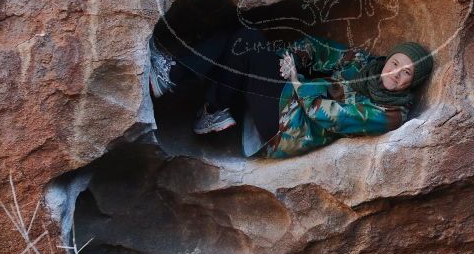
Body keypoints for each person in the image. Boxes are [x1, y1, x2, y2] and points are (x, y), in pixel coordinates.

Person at [149, 27, 434, 158]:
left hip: (288, 131)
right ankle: (211, 108)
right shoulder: (364, 64)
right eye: (395, 63)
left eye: (406, 73)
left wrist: (297, 81)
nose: (395, 73)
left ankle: (176, 77)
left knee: (247, 42)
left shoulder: (390, 114)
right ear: (388, 59)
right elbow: (320, 48)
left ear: (412, 82)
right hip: (288, 101)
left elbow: (329, 115)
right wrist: (293, 59)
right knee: (241, 41)